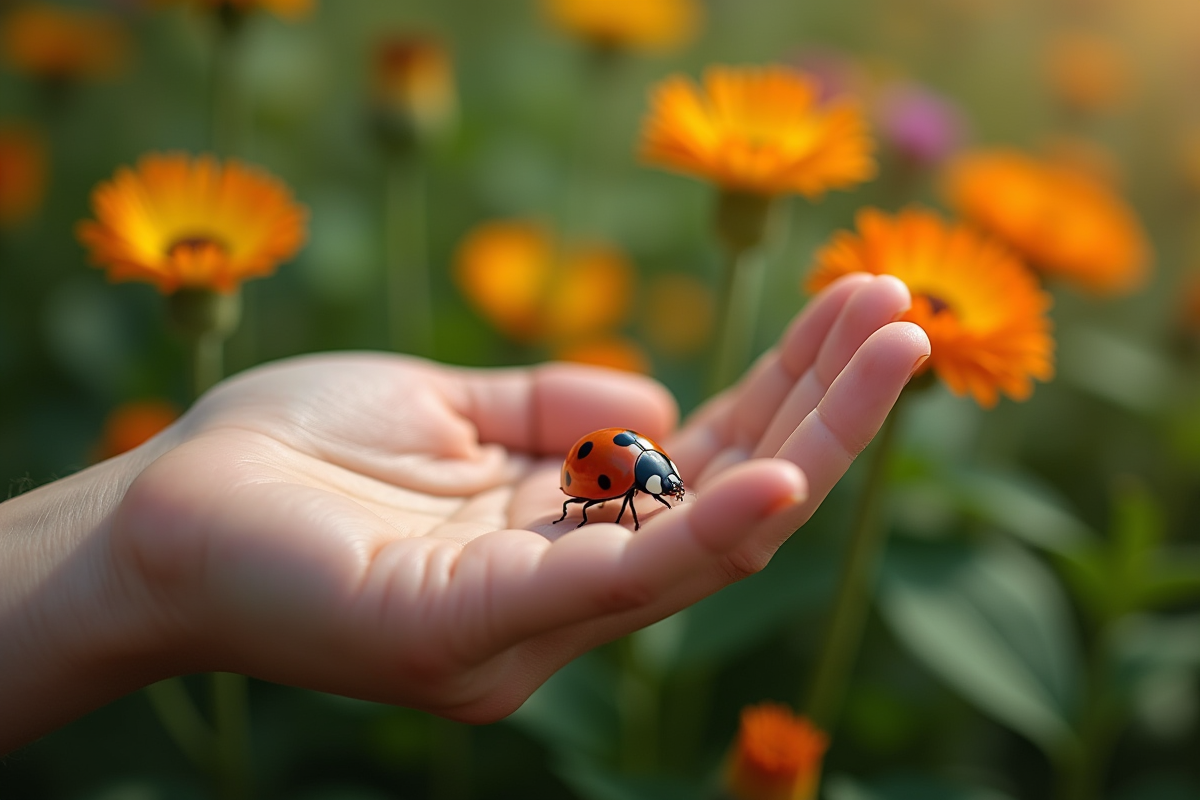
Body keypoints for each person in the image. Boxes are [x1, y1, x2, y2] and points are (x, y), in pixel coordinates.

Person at [0, 274, 929, 754]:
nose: (652, 490)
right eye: (655, 487)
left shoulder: (633, 473)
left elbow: (620, 479)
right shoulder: (626, 478)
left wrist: (130, 549)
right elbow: (611, 484)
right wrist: (131, 547)